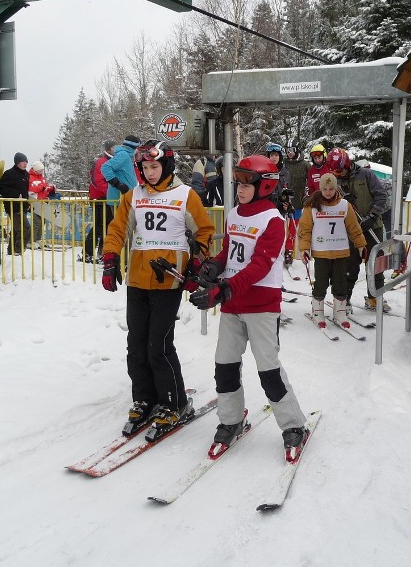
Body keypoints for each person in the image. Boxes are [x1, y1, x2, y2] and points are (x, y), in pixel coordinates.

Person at [188, 154, 309, 460]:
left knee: (268, 370)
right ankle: (231, 420)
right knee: (224, 367)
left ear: (265, 186)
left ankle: (294, 425)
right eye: (238, 182)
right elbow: (229, 251)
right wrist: (214, 266)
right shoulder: (234, 214)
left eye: (247, 183)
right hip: (233, 303)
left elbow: (259, 266)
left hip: (260, 305)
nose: (240, 188)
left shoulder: (273, 221)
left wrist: (224, 289)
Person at [101, 139, 215, 441]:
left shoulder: (185, 195)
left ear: (166, 166)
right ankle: (145, 397)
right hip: (138, 278)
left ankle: (174, 403)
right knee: (136, 344)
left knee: (158, 345)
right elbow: (118, 229)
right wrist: (111, 258)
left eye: (155, 166)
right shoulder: (134, 196)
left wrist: (195, 264)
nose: (150, 172)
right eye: (145, 167)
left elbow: (204, 231)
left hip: (169, 279)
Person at [297, 172, 367, 329]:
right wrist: (304, 249)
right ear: (320, 189)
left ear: (336, 189)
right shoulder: (312, 206)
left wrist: (361, 244)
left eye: (331, 188)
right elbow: (305, 230)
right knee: (321, 283)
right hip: (321, 252)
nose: (328, 192)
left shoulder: (344, 205)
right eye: (325, 189)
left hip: (341, 251)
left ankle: (340, 312)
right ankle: (318, 312)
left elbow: (354, 227)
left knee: (341, 283)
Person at [327, 147, 389, 312]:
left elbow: (381, 196)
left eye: (339, 170)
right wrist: (341, 201)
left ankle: (375, 297)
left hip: (372, 227)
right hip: (350, 230)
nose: (337, 174)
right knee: (350, 265)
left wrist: (373, 216)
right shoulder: (336, 181)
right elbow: (328, 202)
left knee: (375, 263)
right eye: (334, 171)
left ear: (346, 163)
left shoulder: (366, 175)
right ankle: (345, 300)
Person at [82, 141, 115, 263]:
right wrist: (110, 193)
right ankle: (88, 253)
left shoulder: (108, 161)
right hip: (100, 199)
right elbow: (97, 181)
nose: (115, 149)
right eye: (113, 147)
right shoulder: (101, 162)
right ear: (108, 149)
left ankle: (101, 252)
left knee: (106, 226)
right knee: (99, 226)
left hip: (105, 198)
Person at [0, 152, 32, 255]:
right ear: (17, 162)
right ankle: (18, 251)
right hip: (13, 207)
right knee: (25, 229)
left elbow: (27, 191)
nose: (25, 164)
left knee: (16, 230)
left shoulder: (27, 174)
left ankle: (11, 251)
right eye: (23, 162)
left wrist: (28, 202)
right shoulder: (9, 174)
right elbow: (2, 188)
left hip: (23, 206)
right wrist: (16, 195)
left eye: (26, 162)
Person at [101, 135, 139, 211]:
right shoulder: (123, 155)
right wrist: (117, 184)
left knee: (128, 222)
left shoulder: (126, 155)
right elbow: (105, 167)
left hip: (125, 198)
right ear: (134, 147)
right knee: (123, 223)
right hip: (120, 199)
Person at [284, 146, 309, 219]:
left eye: (292, 150)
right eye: (287, 150)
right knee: (288, 226)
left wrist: (306, 194)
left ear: (297, 150)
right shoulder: (284, 164)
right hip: (287, 203)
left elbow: (311, 180)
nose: (290, 152)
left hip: (300, 202)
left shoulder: (305, 165)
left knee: (299, 225)